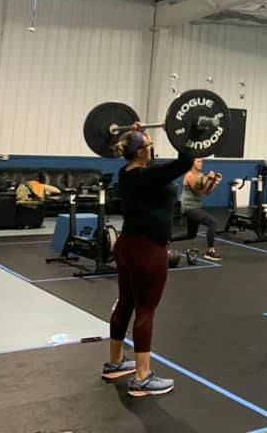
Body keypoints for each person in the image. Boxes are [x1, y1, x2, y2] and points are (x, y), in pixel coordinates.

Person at [101, 124, 194, 397]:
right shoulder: (150, 175)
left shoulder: (127, 172)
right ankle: (142, 377)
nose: (153, 146)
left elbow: (161, 165)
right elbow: (185, 160)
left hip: (127, 246)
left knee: (125, 303)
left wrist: (141, 134)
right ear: (142, 152)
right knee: (146, 311)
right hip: (148, 250)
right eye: (149, 144)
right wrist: (188, 134)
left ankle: (115, 363)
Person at [181, 159, 223, 261]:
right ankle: (210, 252)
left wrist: (215, 182)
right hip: (189, 207)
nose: (201, 163)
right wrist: (209, 180)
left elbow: (207, 192)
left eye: (202, 161)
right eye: (198, 161)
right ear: (192, 163)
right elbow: (199, 192)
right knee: (212, 222)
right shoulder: (189, 176)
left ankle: (167, 239)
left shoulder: (201, 176)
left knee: (191, 235)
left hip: (196, 206)